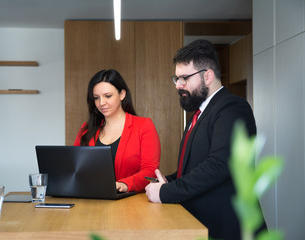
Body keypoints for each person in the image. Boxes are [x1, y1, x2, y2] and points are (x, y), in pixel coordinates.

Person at [145, 39, 264, 240]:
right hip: (203, 225)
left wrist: (166, 192)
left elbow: (219, 165)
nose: (178, 85)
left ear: (207, 75)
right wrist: (169, 180)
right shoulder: (197, 116)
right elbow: (194, 168)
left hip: (230, 227)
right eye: (176, 78)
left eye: (184, 78)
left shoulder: (233, 108)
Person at [74, 69, 161, 193]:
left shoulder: (144, 126)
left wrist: (125, 184)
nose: (101, 103)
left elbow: (150, 171)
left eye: (108, 96)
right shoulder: (86, 129)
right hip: (92, 200)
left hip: (131, 203)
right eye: (96, 98)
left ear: (122, 94)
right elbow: (75, 168)